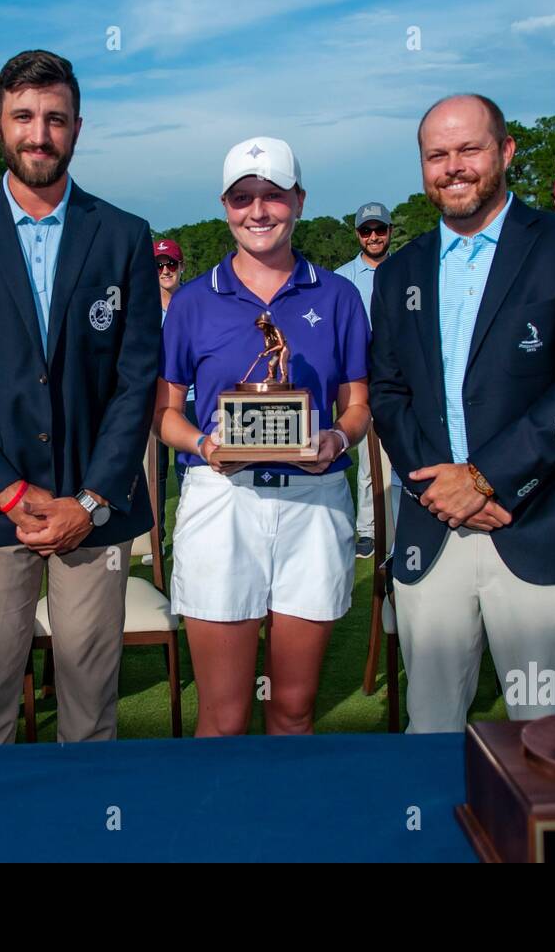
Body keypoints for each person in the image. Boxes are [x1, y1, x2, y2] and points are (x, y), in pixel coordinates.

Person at [0, 50, 162, 744]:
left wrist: (88, 500)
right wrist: (11, 492)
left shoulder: (123, 236)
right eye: (23, 117)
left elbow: (137, 379)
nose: (38, 134)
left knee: (89, 707)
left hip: (95, 511)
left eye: (54, 118)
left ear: (78, 127)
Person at [368, 94, 555, 732]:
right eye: (436, 155)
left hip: (538, 522)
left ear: (506, 152)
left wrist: (483, 479)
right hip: (433, 526)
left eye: (468, 149)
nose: (453, 167)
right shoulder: (398, 271)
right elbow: (388, 393)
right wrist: (443, 488)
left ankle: (534, 837)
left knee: (546, 731)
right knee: (431, 724)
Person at [154, 136, 371, 737]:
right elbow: (167, 413)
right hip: (223, 501)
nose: (258, 210)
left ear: (298, 201)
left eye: (273, 195)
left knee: (294, 710)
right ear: (225, 206)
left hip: (314, 502)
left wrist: (336, 440)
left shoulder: (339, 295)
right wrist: (203, 444)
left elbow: (357, 405)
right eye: (243, 197)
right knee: (222, 716)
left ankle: (282, 829)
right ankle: (211, 831)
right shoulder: (194, 299)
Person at [335, 201, 395, 557]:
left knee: (398, 451)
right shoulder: (343, 277)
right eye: (366, 230)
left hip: (399, 375)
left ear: (389, 230)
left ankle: (400, 520)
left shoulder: (406, 269)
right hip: (360, 375)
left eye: (380, 230)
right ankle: (368, 529)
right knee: (365, 457)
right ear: (358, 234)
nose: (373, 237)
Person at [151, 237, 187, 563]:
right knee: (157, 473)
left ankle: (190, 534)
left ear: (181, 267)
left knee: (190, 467)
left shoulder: (194, 303)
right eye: (159, 266)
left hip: (192, 398)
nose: (165, 271)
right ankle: (157, 538)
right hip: (154, 401)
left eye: (170, 264)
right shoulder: (143, 308)